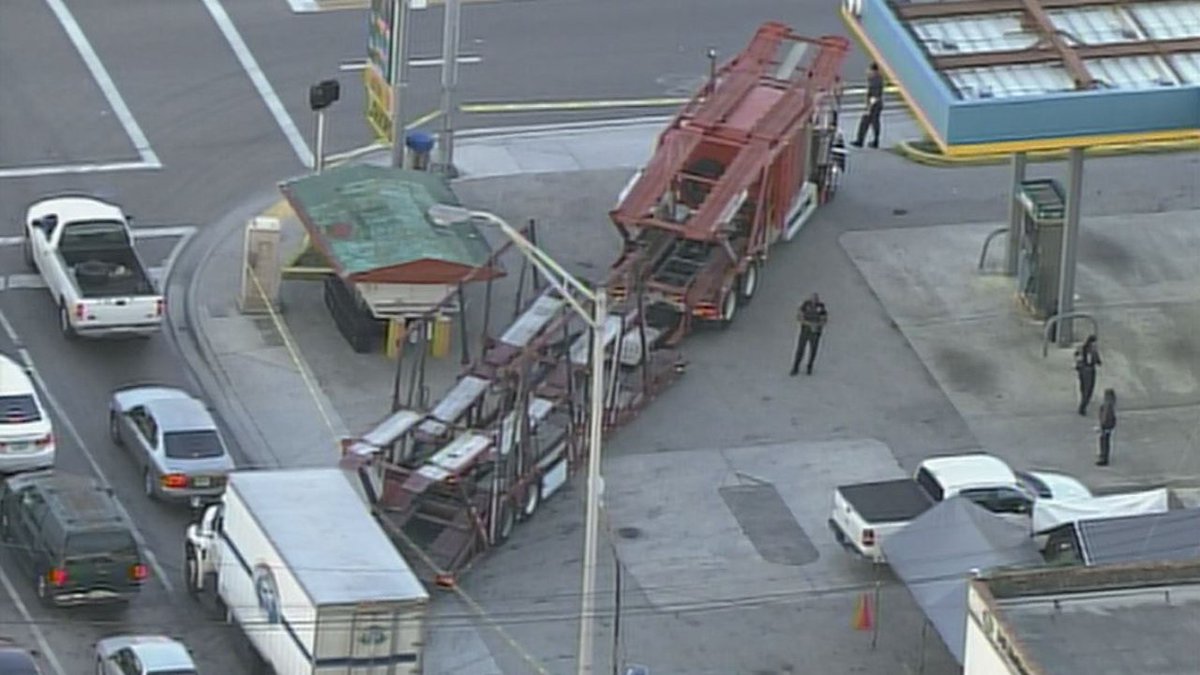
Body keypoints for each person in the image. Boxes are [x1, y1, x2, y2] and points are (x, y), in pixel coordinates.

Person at [791, 293, 828, 376]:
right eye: (813, 299)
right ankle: (795, 367)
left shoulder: (821, 307)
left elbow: (824, 319)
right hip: (805, 330)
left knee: (813, 350)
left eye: (816, 299)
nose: (814, 300)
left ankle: (809, 366)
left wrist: (817, 324)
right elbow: (799, 316)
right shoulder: (806, 305)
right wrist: (807, 323)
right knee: (800, 349)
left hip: (815, 332)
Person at [851, 63, 885, 149]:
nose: (867, 71)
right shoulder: (876, 78)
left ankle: (861, 141)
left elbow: (875, 93)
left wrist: (869, 106)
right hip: (876, 103)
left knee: (867, 122)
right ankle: (872, 141)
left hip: (874, 103)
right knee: (873, 122)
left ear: (873, 70)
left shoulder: (875, 79)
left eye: (869, 70)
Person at [1074, 335, 1102, 416]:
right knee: (1088, 390)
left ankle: (1083, 404)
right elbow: (1098, 361)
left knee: (1083, 389)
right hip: (1089, 371)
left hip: (1082, 370)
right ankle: (1082, 406)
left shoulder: (1082, 348)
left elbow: (1076, 356)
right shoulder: (1093, 351)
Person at [1096, 389, 1117, 466]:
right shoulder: (1111, 405)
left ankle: (1103, 458)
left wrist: (1102, 425)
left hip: (1105, 426)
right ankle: (1104, 456)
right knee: (1106, 442)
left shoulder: (1107, 406)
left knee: (1104, 442)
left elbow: (1105, 416)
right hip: (1108, 426)